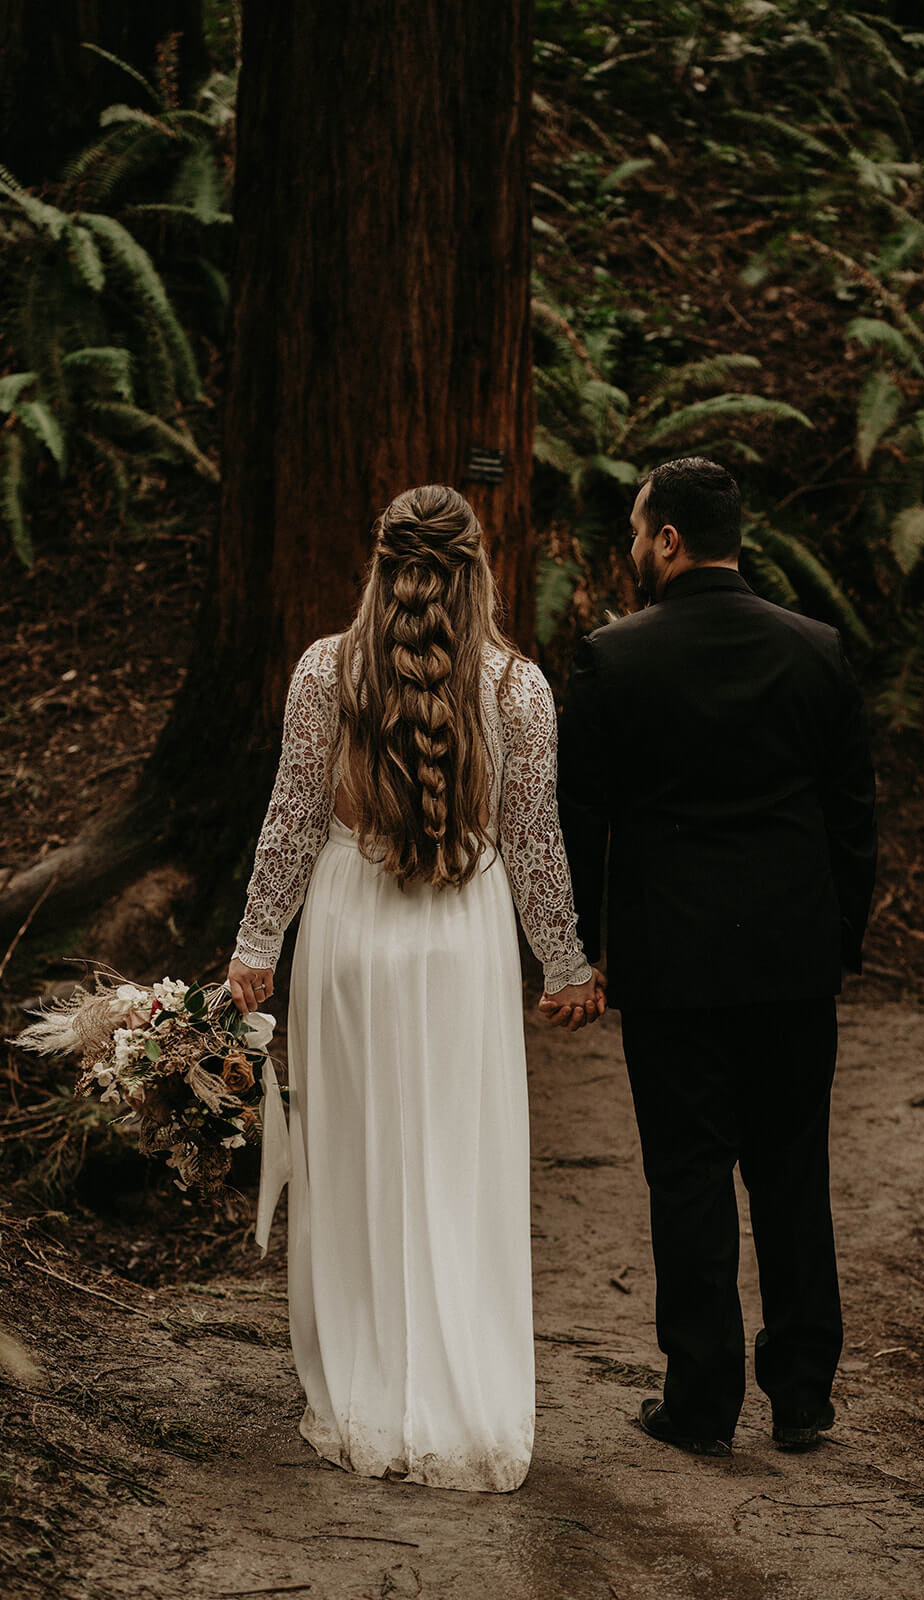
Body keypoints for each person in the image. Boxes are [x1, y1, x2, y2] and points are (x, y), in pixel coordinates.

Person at [228, 484, 603, 1493]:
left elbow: (292, 819)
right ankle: (461, 1387)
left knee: (352, 1162)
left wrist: (256, 942)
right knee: (454, 1161)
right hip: (460, 946)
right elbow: (533, 844)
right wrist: (562, 963)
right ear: (477, 569)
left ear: (378, 564)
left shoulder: (323, 671)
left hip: (348, 935)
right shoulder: (518, 687)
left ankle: (362, 1380)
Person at [548, 456, 877, 1457]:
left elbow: (580, 817)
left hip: (673, 965)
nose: (632, 550)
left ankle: (699, 1401)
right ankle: (802, 1395)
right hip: (789, 962)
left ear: (668, 541)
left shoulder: (613, 658)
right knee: (790, 1169)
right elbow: (851, 818)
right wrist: (839, 944)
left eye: (638, 532)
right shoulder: (816, 650)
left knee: (686, 1174)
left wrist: (578, 951)